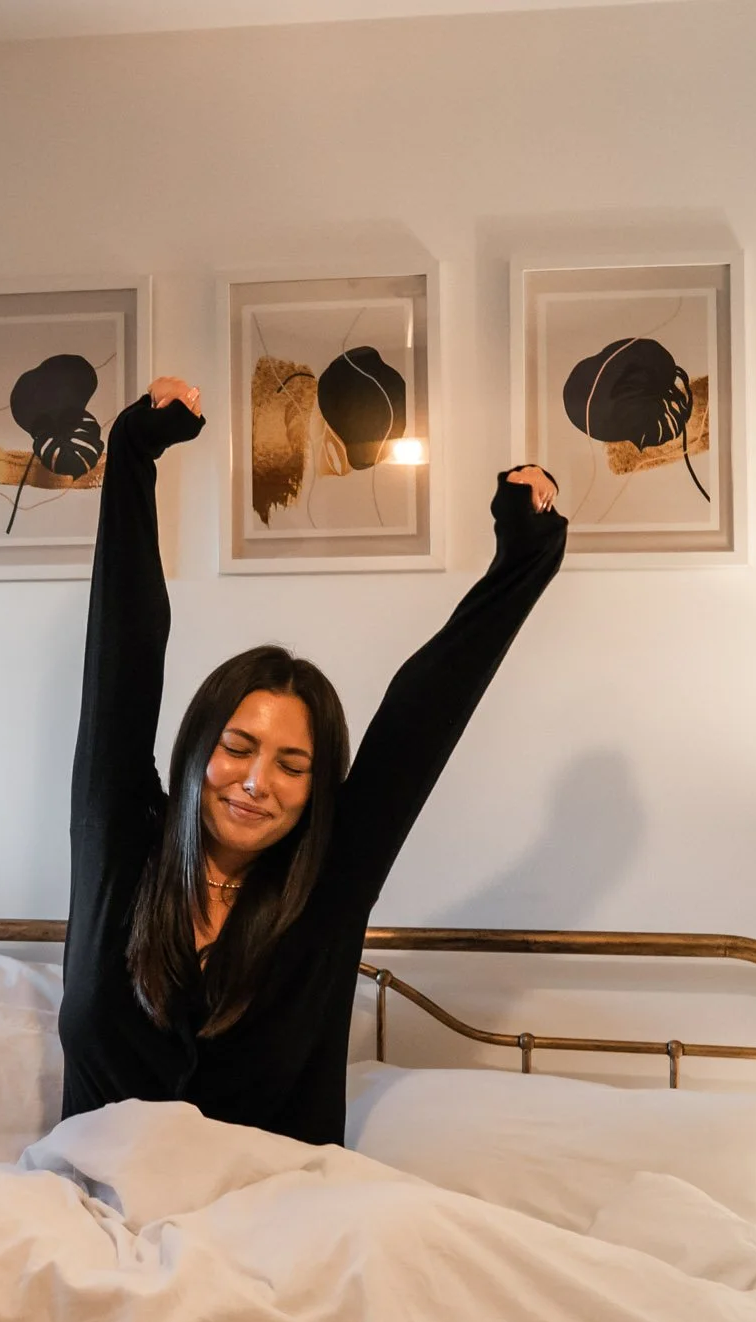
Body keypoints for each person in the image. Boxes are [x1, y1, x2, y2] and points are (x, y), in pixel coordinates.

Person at [60, 375, 567, 1146]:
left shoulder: (328, 881)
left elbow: (418, 721)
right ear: (197, 749)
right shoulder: (121, 847)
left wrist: (520, 563)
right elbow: (121, 661)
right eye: (237, 747)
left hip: (275, 1236)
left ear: (315, 789)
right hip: (82, 1221)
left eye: (294, 765)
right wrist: (132, 454)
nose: (258, 781)